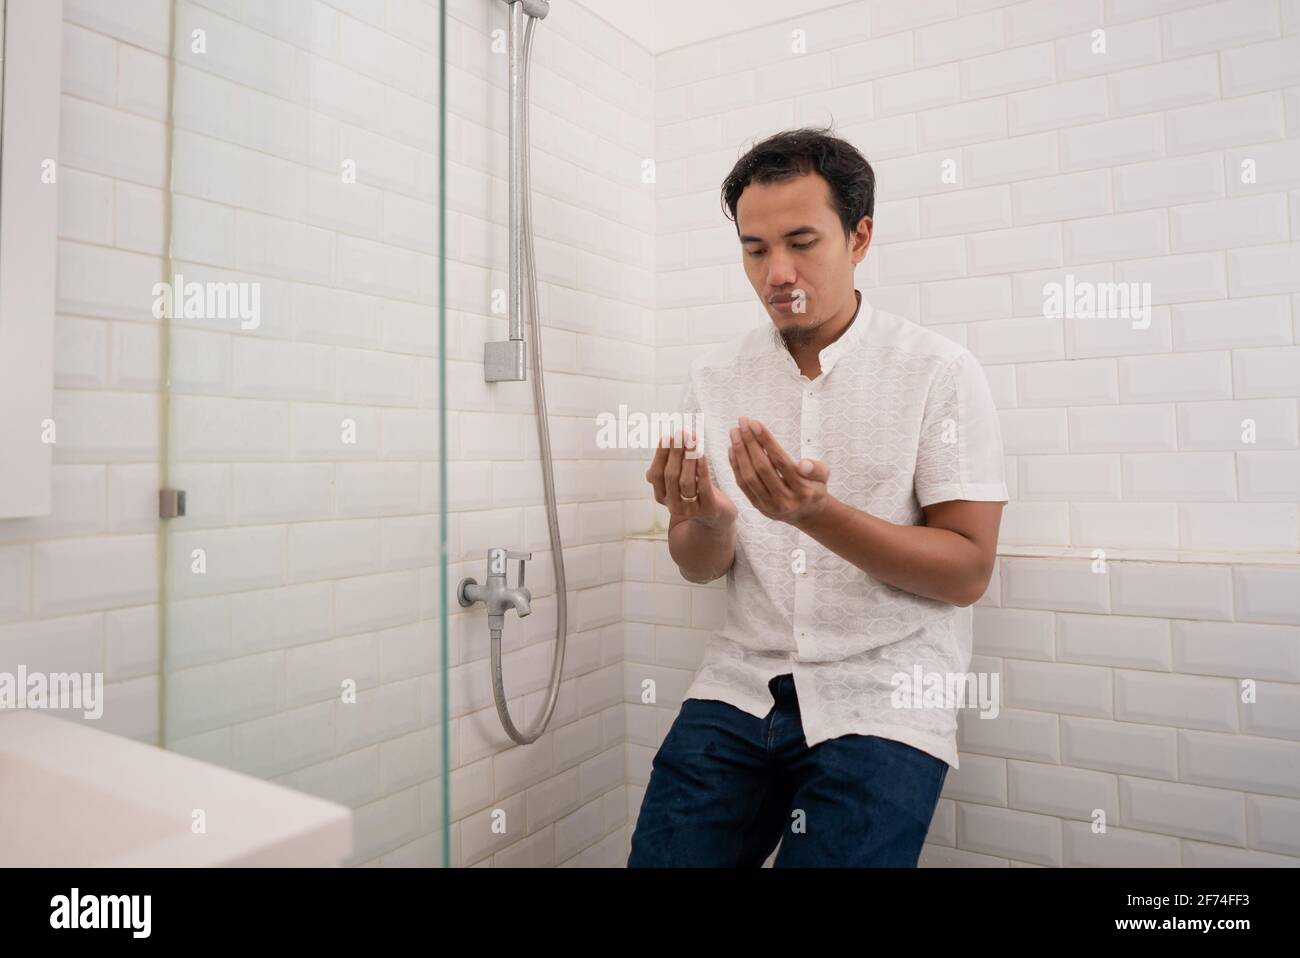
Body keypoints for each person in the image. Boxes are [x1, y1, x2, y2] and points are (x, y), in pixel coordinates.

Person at [628, 127, 1008, 867]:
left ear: (860, 236)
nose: (778, 271)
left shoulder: (939, 373)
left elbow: (966, 571)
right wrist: (703, 519)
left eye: (802, 241)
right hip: (741, 686)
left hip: (884, 693)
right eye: (755, 248)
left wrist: (817, 516)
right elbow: (701, 566)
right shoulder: (713, 378)